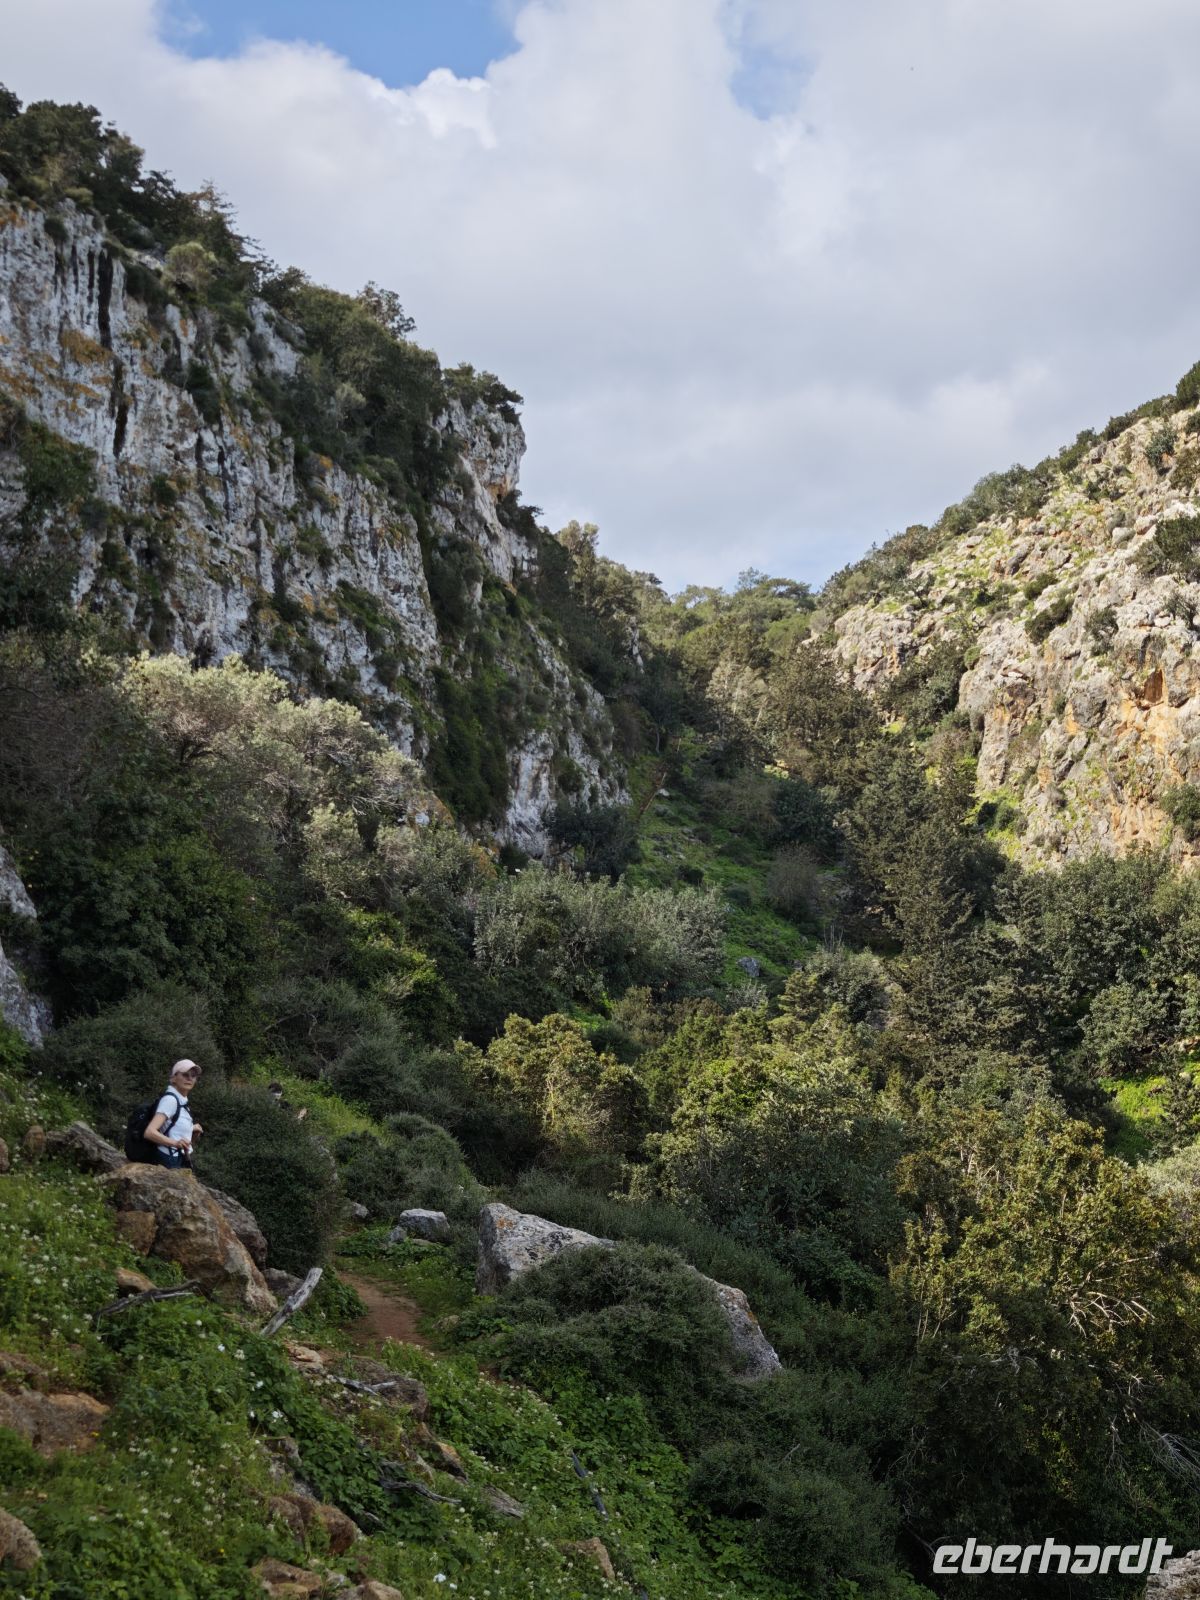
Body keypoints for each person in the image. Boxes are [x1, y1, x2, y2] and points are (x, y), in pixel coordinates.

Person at [145, 1059, 204, 1169]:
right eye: (185, 1074)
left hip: (177, 1157)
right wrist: (175, 1143)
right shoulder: (170, 1100)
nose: (189, 1078)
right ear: (173, 1078)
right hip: (168, 1159)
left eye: (193, 1075)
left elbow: (175, 1132)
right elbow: (149, 1132)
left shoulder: (182, 1101)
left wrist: (191, 1130)